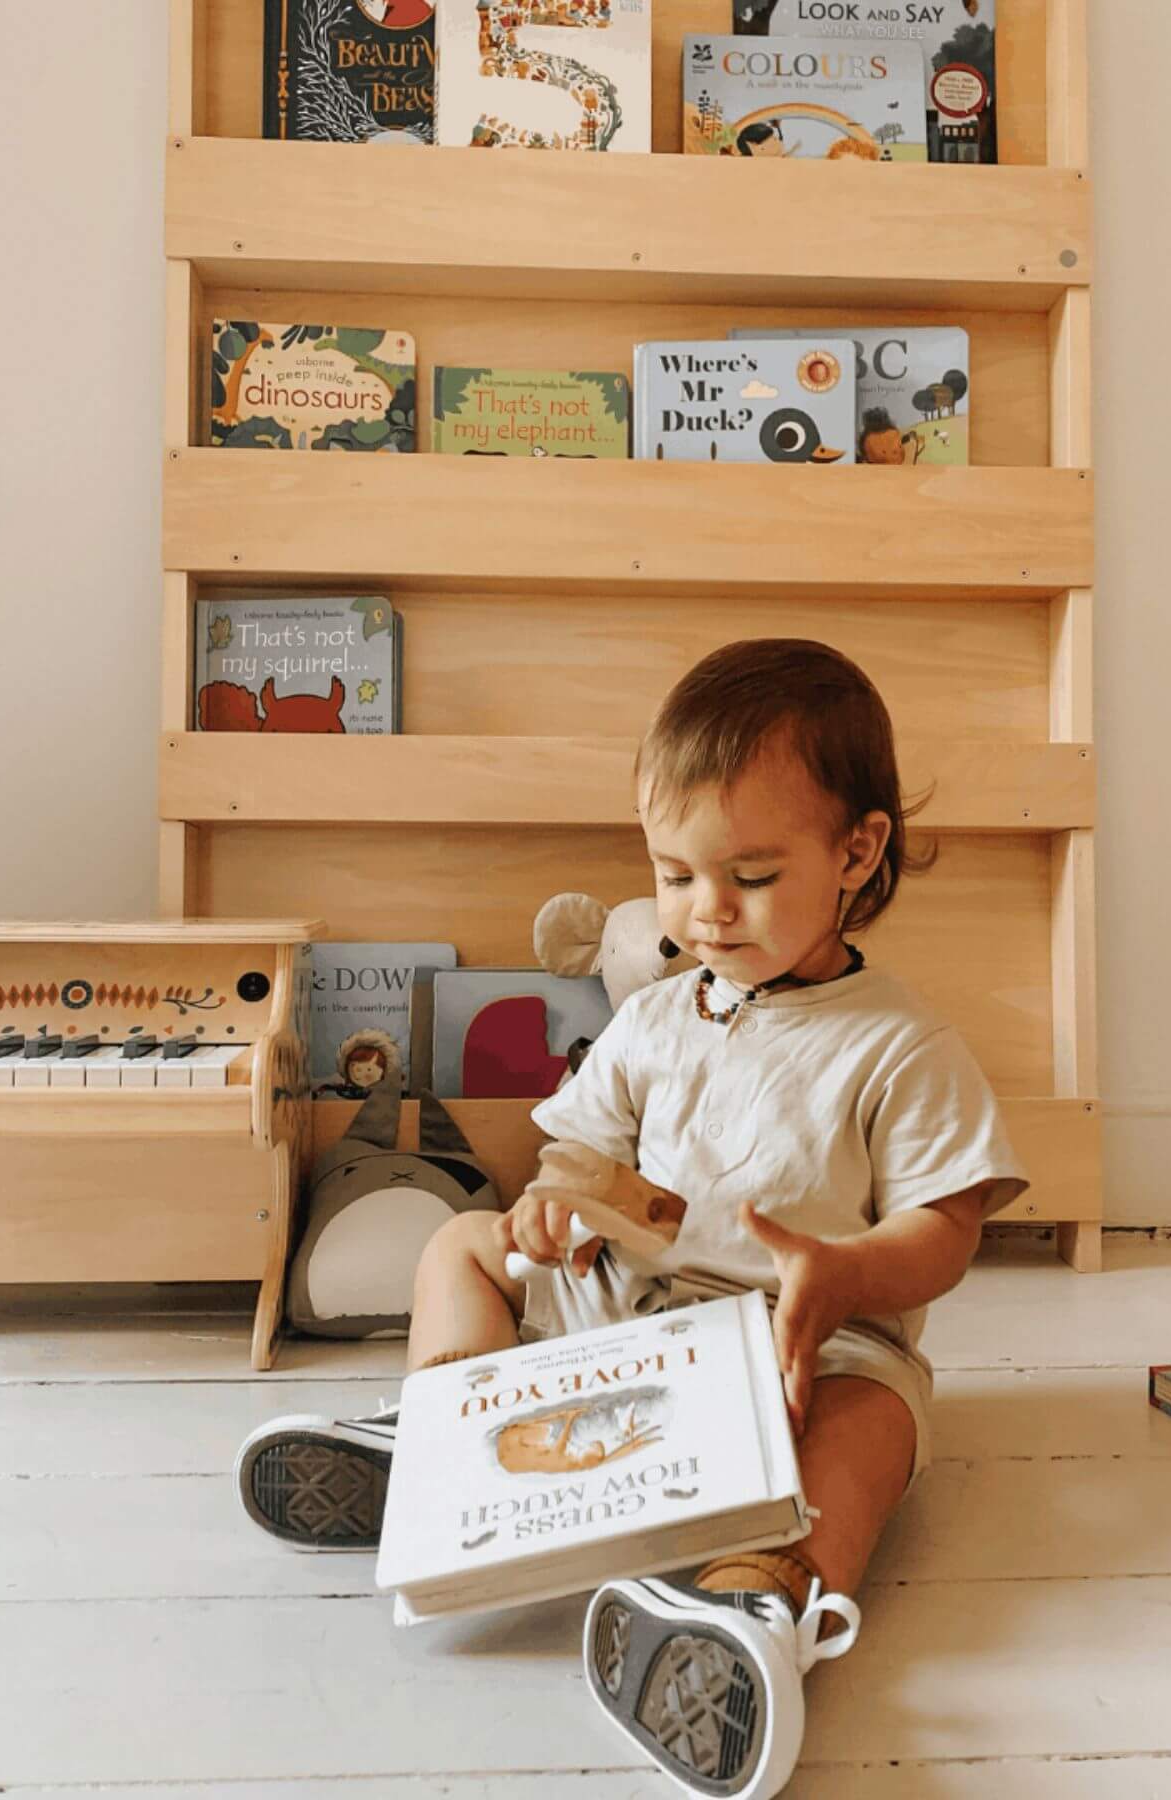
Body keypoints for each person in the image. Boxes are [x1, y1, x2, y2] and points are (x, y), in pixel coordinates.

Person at [234, 639, 1026, 1799]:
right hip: (623, 1310)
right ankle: (450, 1438)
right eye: (673, 873)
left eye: (749, 877)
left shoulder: (902, 1048)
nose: (705, 913)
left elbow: (946, 1231)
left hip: (799, 1339)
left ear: (858, 851)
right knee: (463, 1240)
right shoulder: (654, 1019)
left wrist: (848, 1274)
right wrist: (556, 1214)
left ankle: (750, 1602)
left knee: (877, 1422)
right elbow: (579, 1157)